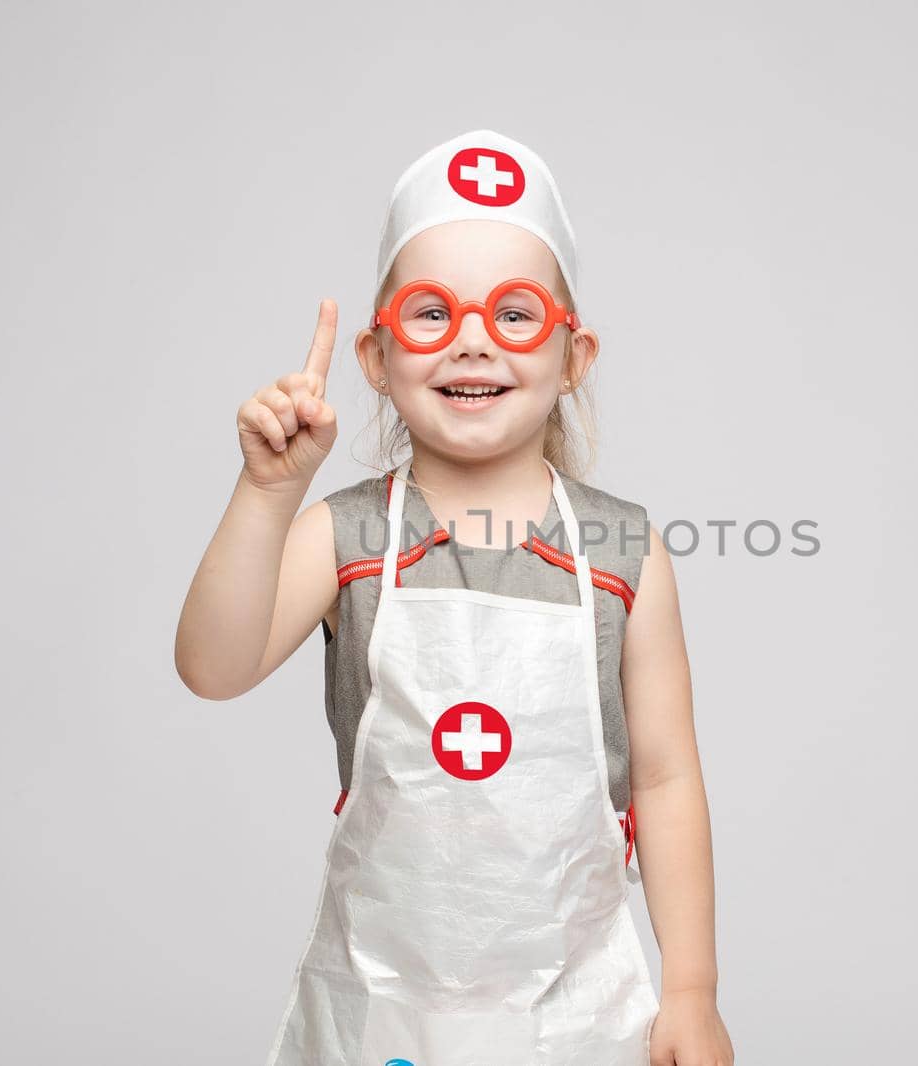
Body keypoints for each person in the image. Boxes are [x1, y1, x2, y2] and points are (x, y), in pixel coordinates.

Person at [176, 128, 734, 1066]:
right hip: (381, 1003)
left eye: (513, 314)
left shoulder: (622, 550)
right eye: (432, 313)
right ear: (375, 355)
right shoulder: (344, 537)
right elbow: (212, 668)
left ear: (574, 354)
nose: (473, 339)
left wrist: (691, 990)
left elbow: (667, 779)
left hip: (575, 1007)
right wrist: (268, 494)